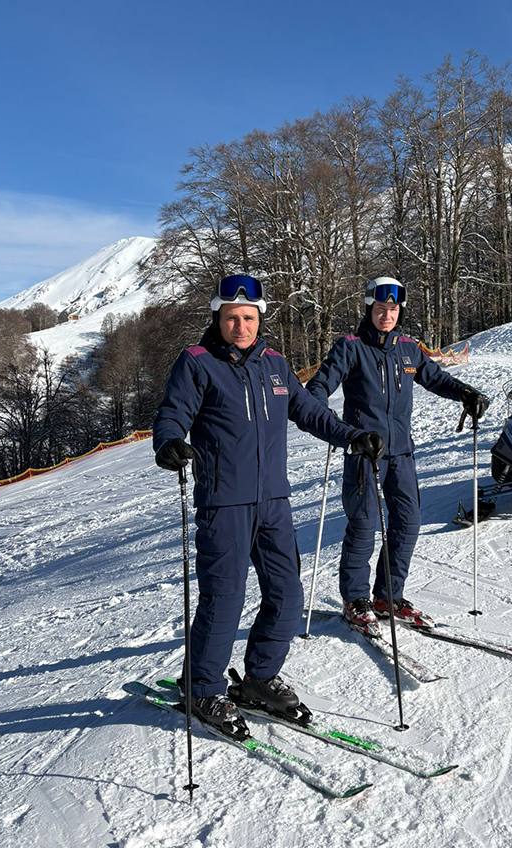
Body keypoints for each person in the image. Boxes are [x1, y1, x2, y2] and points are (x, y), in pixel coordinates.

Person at [153, 274, 383, 734]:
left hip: (274, 501)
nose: (240, 326)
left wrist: (353, 436)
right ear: (217, 318)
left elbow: (310, 412)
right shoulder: (198, 363)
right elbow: (172, 413)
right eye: (231, 318)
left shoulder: (275, 364)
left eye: (248, 317)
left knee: (287, 594)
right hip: (224, 504)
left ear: (260, 318)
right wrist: (169, 442)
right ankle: (202, 687)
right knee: (224, 598)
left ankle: (259, 677)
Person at [306, 276, 489, 633]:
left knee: (407, 522)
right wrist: (332, 424)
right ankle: (355, 599)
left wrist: (465, 393)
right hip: (365, 452)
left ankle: (388, 596)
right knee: (364, 524)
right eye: (380, 308)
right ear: (368, 309)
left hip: (401, 452)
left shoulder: (408, 348)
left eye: (392, 309)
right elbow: (318, 387)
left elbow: (436, 378)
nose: (386, 315)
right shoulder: (351, 347)